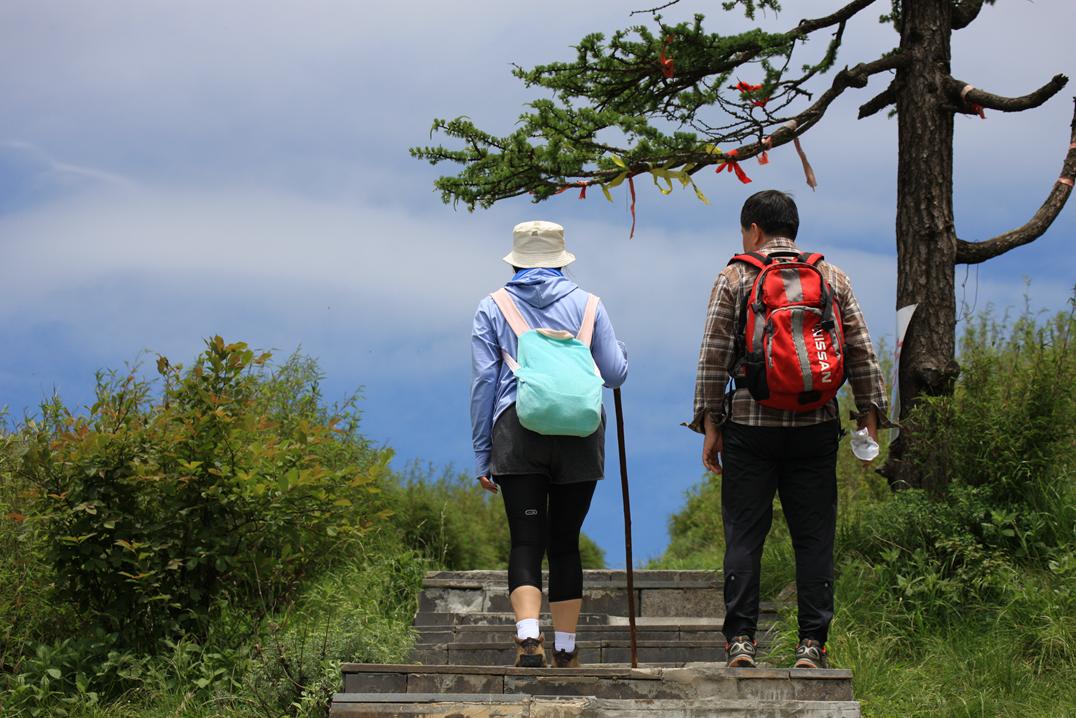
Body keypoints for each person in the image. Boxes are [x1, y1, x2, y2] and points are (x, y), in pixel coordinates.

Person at [687, 190, 889, 670]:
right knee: (814, 536)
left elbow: (713, 355)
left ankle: (741, 642)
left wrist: (710, 423)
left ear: (753, 230)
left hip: (751, 426)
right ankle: (811, 646)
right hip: (815, 424)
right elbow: (860, 347)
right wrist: (870, 414)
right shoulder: (830, 275)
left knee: (744, 535)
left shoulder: (735, 275)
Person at [471, 220, 628, 669]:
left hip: (517, 431)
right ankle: (564, 647)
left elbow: (484, 383)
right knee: (564, 542)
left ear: (516, 259)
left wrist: (483, 453)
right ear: (562, 259)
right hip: (579, 433)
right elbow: (614, 374)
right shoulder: (590, 305)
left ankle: (527, 636)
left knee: (526, 540)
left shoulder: (493, 306)